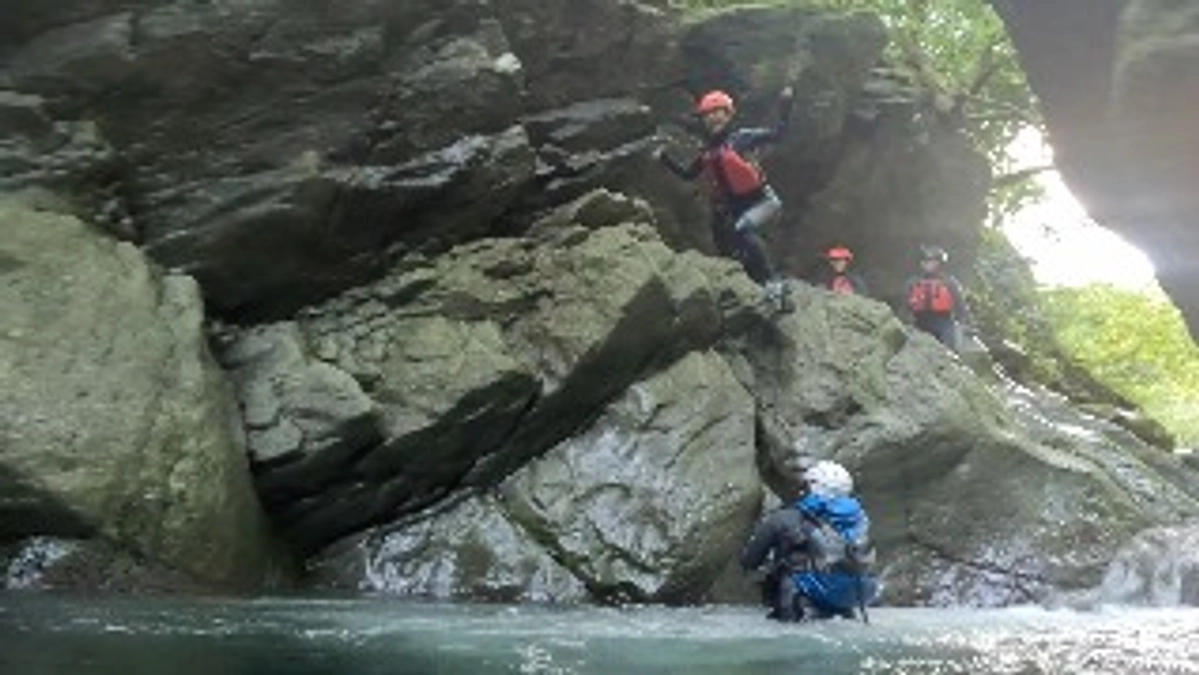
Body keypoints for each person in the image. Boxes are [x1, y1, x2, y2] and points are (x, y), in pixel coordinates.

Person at [655, 87, 795, 311]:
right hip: (738, 208)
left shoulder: (742, 138)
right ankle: (767, 291)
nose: (712, 118)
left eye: (717, 113)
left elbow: (778, 135)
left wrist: (785, 109)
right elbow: (688, 174)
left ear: (729, 114)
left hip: (763, 202)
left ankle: (773, 284)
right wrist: (665, 158)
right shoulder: (708, 152)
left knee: (742, 230)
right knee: (733, 245)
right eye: (708, 115)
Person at [740, 460, 879, 622]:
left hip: (805, 594)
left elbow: (750, 560)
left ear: (813, 488)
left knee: (787, 573)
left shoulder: (786, 518)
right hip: (856, 594)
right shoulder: (859, 519)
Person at [905, 245, 974, 348]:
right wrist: (906, 321)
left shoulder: (949, 282)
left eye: (931, 261)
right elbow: (906, 306)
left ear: (939, 263)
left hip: (943, 322)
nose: (927, 264)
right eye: (925, 261)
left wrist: (966, 324)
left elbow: (961, 306)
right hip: (919, 321)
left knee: (949, 341)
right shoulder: (913, 282)